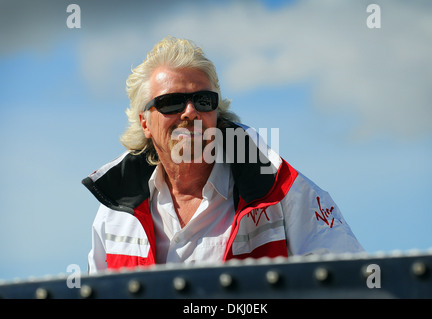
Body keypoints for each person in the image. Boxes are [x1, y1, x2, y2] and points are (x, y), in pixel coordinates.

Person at [83, 36, 364, 273]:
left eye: (203, 101)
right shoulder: (114, 212)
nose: (190, 112)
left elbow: (349, 279)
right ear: (144, 122)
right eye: (171, 102)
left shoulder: (280, 189)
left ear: (216, 113)